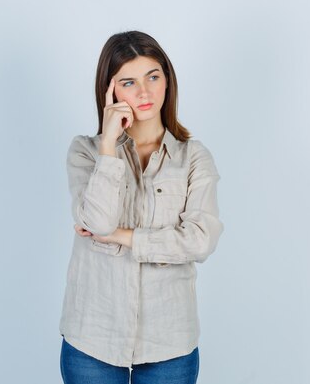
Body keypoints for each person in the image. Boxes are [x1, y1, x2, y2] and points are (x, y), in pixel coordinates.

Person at [59, 30, 224, 384]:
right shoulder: (85, 152)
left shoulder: (194, 158)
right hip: (93, 338)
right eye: (128, 82)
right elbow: (97, 221)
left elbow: (201, 240)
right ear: (110, 90)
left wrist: (124, 236)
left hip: (169, 343)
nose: (144, 92)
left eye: (153, 76)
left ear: (168, 79)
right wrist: (108, 146)